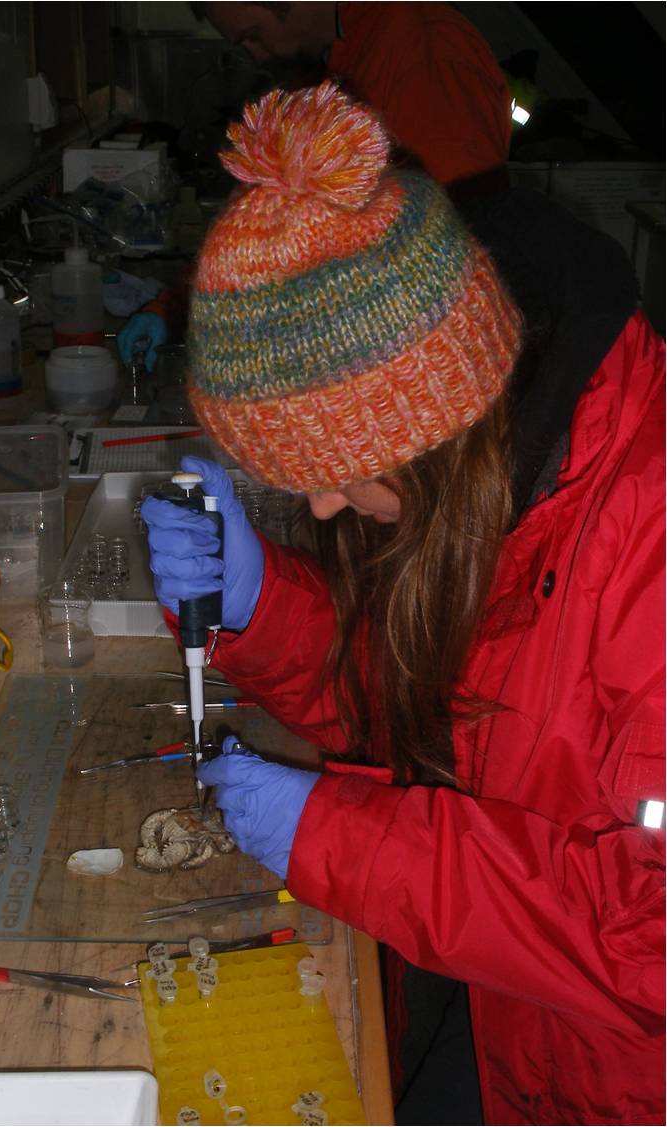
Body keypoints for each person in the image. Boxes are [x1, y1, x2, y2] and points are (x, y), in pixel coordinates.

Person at [140, 83, 663, 1124]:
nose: (323, 503)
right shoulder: (514, 486)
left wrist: (346, 843)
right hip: (514, 1020)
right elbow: (447, 717)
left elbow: (649, 944)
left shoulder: (641, 547)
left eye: (340, 469)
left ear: (431, 425)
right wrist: (261, 609)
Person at [120, 1, 513, 370]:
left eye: (254, 36)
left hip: (424, 361)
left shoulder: (423, 55)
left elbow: (469, 243)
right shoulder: (334, 59)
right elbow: (273, 231)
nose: (257, 56)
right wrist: (176, 308)